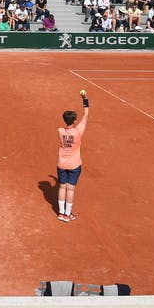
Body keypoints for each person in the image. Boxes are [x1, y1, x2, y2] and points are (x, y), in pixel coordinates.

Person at [56, 91, 91, 222]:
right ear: (75, 121)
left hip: (61, 164)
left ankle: (60, 213)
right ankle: (67, 214)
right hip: (74, 165)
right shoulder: (78, 131)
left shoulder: (60, 131)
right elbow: (86, 115)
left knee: (62, 187)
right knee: (70, 190)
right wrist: (85, 99)